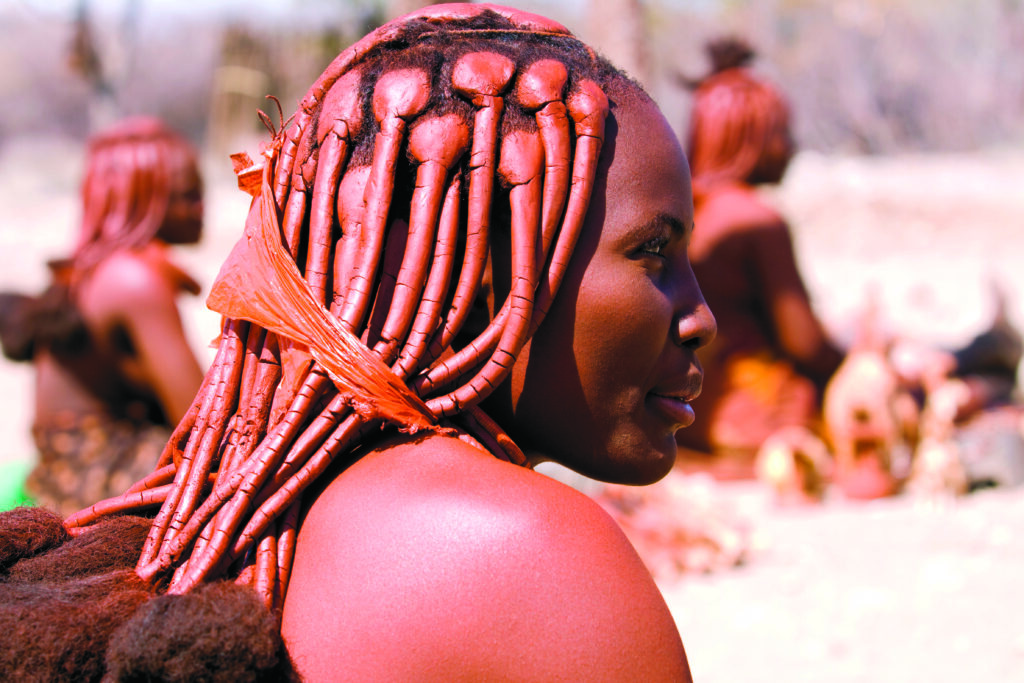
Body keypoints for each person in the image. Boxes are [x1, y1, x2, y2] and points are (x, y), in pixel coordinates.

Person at [0, 5, 714, 680]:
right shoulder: (536, 554)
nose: (701, 317)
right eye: (653, 250)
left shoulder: (270, 524)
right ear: (479, 271)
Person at [0, 117, 205, 516]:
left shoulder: (94, 270)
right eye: (187, 195)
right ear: (143, 201)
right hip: (101, 476)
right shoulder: (135, 279)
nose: (202, 207)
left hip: (66, 470)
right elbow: (201, 425)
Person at [674, 37, 842, 480]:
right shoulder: (758, 220)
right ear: (749, 139)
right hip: (760, 425)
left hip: (688, 419)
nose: (790, 147)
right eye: (781, 133)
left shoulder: (682, 213)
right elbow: (806, 346)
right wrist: (858, 357)